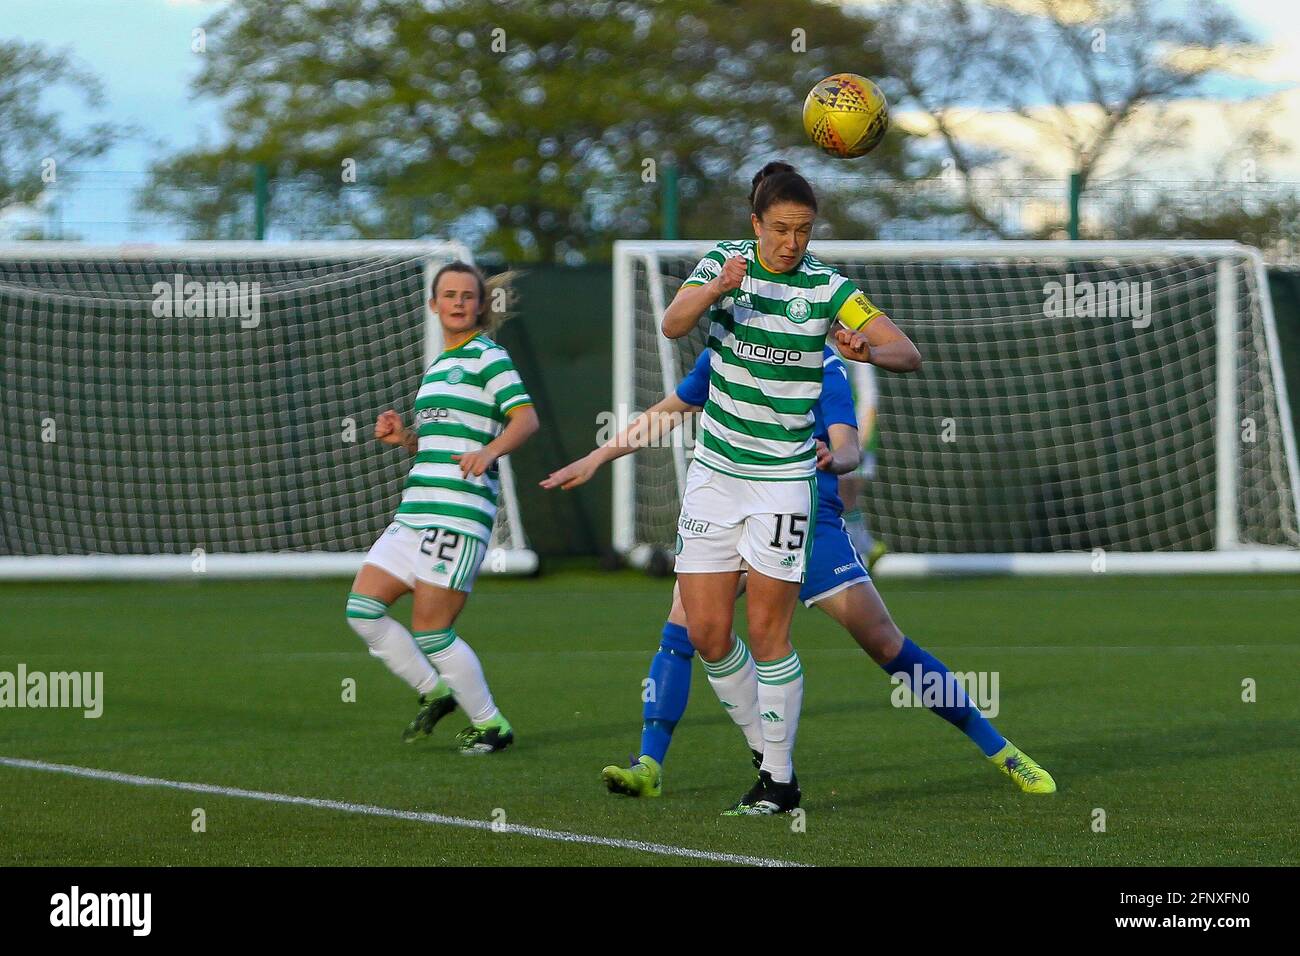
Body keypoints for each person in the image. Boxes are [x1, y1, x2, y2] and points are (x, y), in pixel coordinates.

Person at [542, 347, 1057, 800]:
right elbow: (670, 411)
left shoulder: (820, 360)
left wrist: (837, 458)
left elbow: (848, 440)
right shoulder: (725, 348)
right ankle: (654, 763)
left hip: (807, 520)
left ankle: (1000, 749)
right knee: (687, 627)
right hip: (734, 515)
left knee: (883, 642)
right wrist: (599, 455)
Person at [655, 160, 920, 814]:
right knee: (709, 634)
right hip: (715, 479)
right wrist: (717, 286)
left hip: (782, 484)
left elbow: (906, 351)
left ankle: (779, 779)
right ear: (755, 225)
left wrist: (867, 352)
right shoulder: (723, 263)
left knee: (769, 633)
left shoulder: (829, 287)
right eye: (780, 229)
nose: (792, 242)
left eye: (803, 230)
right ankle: (764, 751)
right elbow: (673, 323)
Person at [345, 262, 539, 754]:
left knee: (432, 629)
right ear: (434, 305)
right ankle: (434, 692)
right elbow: (440, 445)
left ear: (480, 305)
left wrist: (491, 451)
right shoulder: (436, 368)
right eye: (448, 295)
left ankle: (492, 724)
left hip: (457, 513)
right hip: (414, 512)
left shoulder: (488, 356)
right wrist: (404, 438)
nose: (457, 302)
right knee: (363, 610)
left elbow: (526, 420)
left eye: (466, 295)